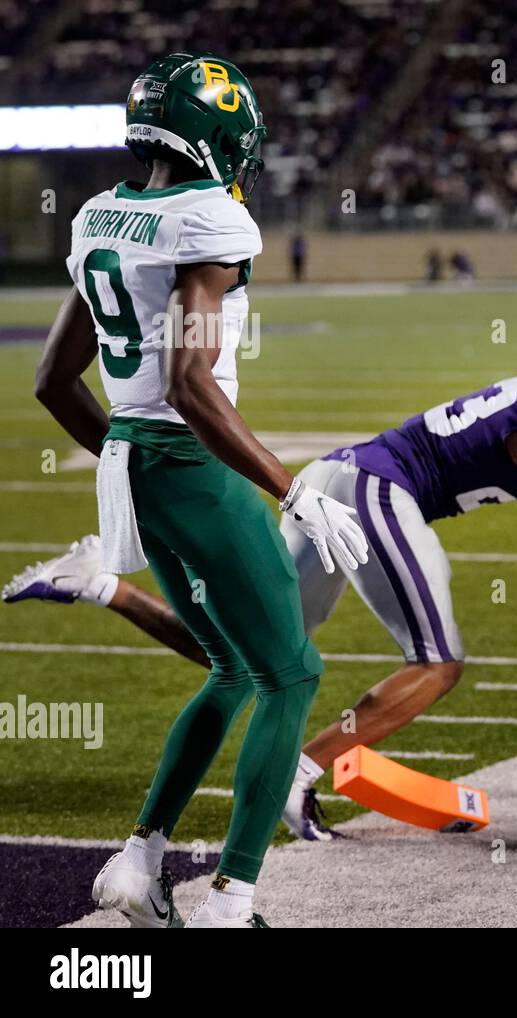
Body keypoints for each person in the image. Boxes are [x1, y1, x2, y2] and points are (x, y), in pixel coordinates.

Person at [8, 319, 517, 843]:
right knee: (438, 661)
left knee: (245, 656)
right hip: (375, 491)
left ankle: (98, 583)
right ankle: (300, 771)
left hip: (339, 481)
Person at [32, 52, 368, 928]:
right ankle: (232, 899)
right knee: (292, 675)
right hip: (189, 463)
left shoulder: (102, 213)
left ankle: (138, 864)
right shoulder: (210, 219)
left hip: (138, 463)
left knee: (229, 668)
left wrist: (128, 458)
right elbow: (190, 383)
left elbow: (52, 381)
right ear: (218, 136)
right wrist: (291, 489)